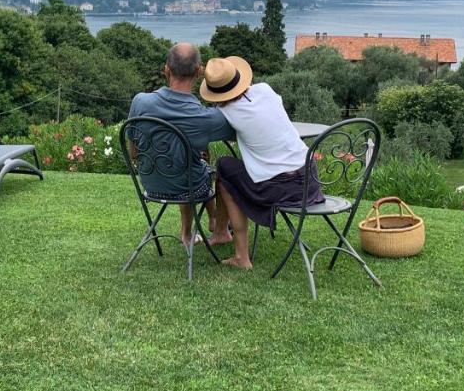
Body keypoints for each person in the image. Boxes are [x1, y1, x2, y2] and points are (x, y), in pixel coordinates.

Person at [201, 55, 323, 269]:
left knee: (224, 167)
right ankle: (221, 232)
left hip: (280, 189)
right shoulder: (266, 90)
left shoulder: (225, 113)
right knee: (230, 171)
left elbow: (216, 129)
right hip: (310, 181)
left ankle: (241, 255)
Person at [127, 43, 234, 247]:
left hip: (151, 185)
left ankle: (191, 232)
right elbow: (236, 129)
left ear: (166, 68)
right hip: (188, 188)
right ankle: (214, 223)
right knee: (213, 167)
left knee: (190, 164)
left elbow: (133, 152)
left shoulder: (140, 101)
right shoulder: (202, 116)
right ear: (199, 71)